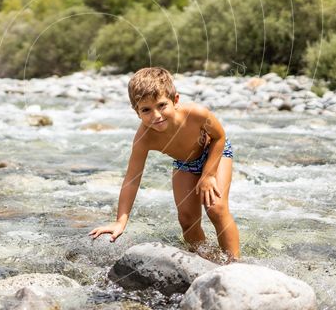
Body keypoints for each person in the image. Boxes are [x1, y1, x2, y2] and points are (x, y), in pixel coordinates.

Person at [89, 67, 240, 260]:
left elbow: (219, 137)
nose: (156, 116)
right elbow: (132, 179)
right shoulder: (144, 138)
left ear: (175, 100)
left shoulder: (196, 114)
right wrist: (120, 221)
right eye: (146, 110)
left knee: (216, 209)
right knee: (186, 219)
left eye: (161, 105)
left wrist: (208, 174)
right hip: (185, 164)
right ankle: (206, 260)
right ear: (137, 112)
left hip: (213, 153)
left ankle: (235, 264)